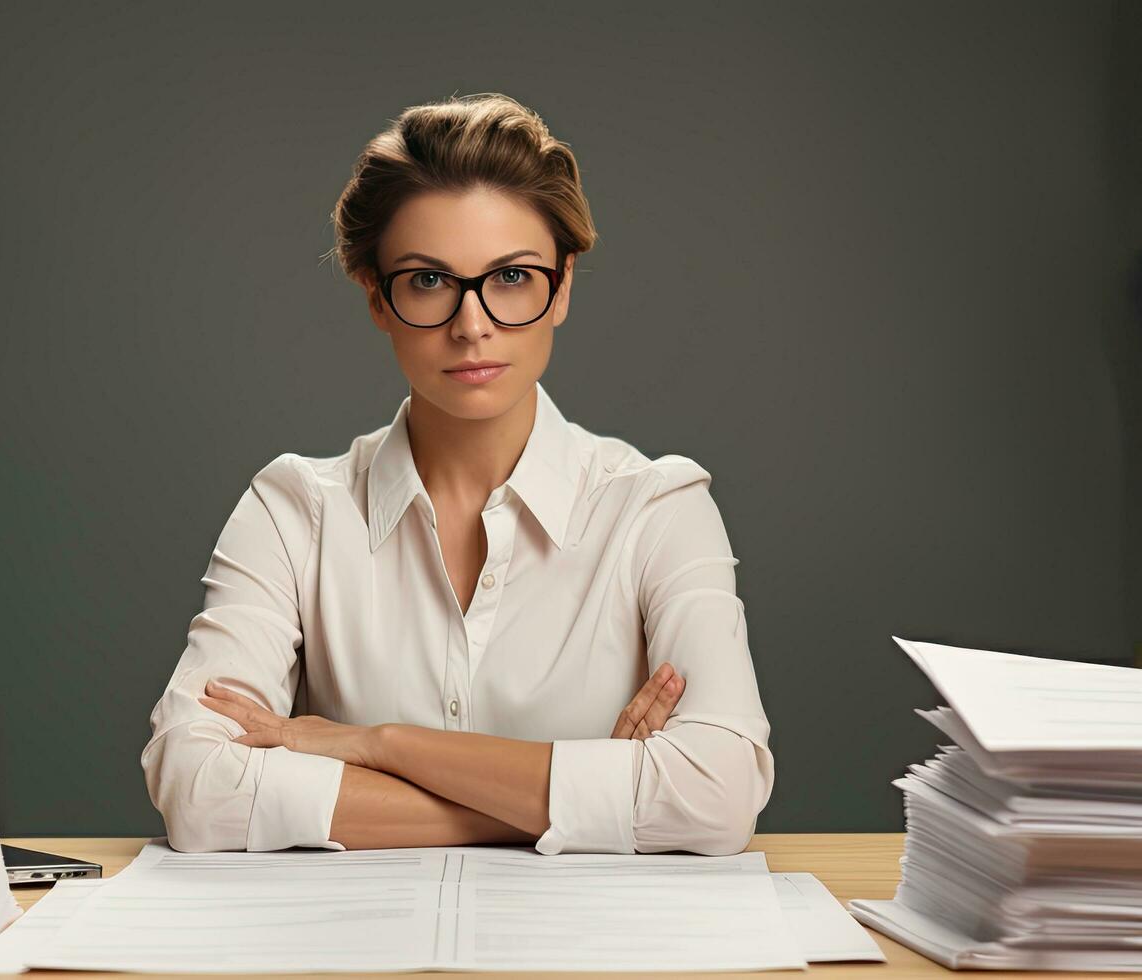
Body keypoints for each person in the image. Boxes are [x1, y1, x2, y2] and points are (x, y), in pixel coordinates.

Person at [140, 93, 772, 855]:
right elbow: (196, 786)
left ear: (561, 286)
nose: (471, 324)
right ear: (377, 296)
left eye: (510, 277)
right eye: (429, 282)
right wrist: (581, 797)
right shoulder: (292, 509)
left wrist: (379, 745)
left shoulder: (656, 508)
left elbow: (716, 796)